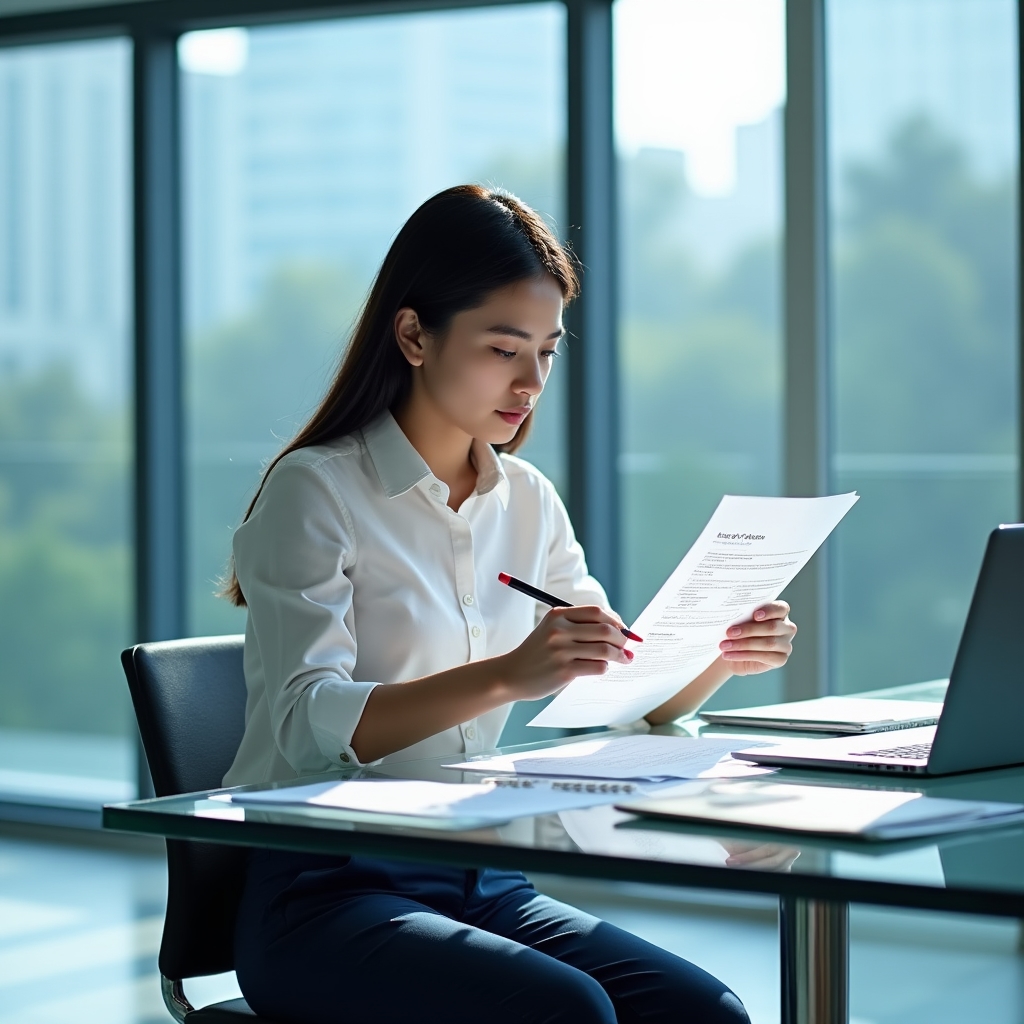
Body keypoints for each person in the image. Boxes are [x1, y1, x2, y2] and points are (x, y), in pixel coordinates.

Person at [223, 184, 797, 1024]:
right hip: (324, 893)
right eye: (503, 349)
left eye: (548, 352)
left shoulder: (526, 500)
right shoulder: (317, 489)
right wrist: (510, 675)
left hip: (479, 873)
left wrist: (719, 655)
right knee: (567, 1012)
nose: (530, 381)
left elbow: (616, 691)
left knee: (706, 1012)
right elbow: (309, 723)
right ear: (415, 335)